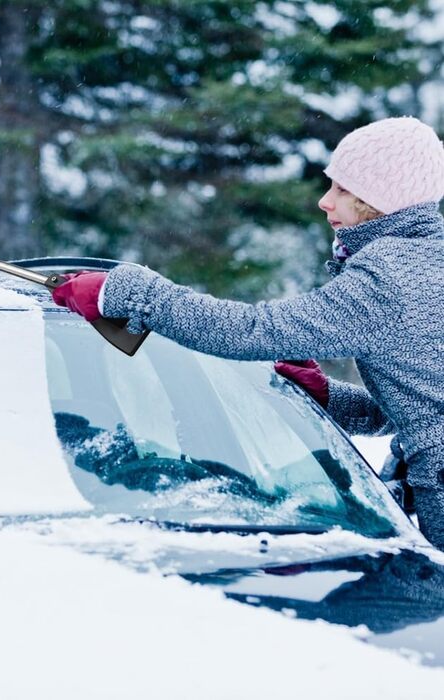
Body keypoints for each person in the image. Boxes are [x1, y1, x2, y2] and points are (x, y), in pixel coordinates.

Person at [51, 116, 444, 549]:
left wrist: (135, 293)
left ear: (378, 198)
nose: (324, 202)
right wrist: (330, 398)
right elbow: (420, 404)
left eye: (342, 189)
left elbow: (252, 331)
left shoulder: (392, 274)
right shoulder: (429, 260)